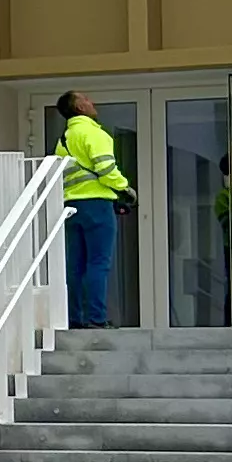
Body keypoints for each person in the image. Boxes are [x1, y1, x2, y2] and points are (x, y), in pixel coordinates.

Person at [59, 90, 130, 329]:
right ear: (79, 108)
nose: (92, 102)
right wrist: (125, 188)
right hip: (97, 205)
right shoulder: (94, 133)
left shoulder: (65, 139)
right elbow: (106, 168)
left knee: (75, 266)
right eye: (86, 99)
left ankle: (74, 319)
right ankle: (97, 318)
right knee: (99, 263)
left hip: (71, 206)